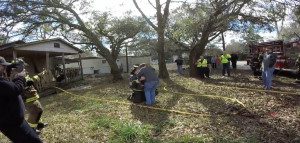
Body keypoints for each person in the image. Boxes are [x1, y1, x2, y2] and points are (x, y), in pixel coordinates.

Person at [0, 56, 42, 143]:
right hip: (11, 124)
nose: (5, 68)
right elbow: (15, 89)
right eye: (2, 65)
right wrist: (20, 77)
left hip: (16, 121)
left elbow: (10, 88)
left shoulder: (3, 78)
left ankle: (34, 128)